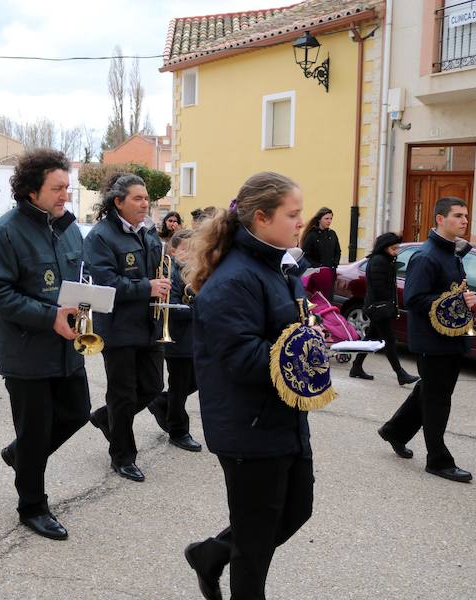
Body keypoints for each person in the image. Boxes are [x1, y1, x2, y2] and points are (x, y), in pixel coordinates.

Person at [182, 172, 314, 600]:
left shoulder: (277, 266)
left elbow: (289, 330)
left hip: (284, 418)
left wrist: (315, 339)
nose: (300, 222)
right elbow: (242, 359)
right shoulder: (234, 279)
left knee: (296, 510)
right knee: (255, 547)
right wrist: (306, 354)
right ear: (260, 217)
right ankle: (220, 560)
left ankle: (212, 554)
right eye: (292, 215)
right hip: (249, 427)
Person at [0, 148, 89, 541]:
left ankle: (19, 454)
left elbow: (79, 277)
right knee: (36, 430)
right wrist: (48, 316)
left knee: (78, 412)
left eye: (67, 187)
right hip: (26, 352)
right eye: (57, 188)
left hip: (68, 347)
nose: (65, 195)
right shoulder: (4, 232)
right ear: (31, 190)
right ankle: (32, 506)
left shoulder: (70, 228)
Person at [378, 197, 476, 484]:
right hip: (433, 343)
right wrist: (457, 299)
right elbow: (414, 299)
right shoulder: (427, 256)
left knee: (429, 391)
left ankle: (394, 431)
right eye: (458, 215)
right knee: (437, 400)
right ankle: (438, 460)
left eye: (466, 216)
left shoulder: (451, 253)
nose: (464, 221)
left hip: (451, 339)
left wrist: (462, 301)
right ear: (439, 219)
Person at [84, 173, 171, 483]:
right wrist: (147, 287)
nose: (145, 203)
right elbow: (107, 283)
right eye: (138, 198)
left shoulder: (148, 233)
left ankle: (106, 419)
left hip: (150, 325)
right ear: (118, 202)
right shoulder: (100, 236)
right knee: (122, 394)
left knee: (152, 386)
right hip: (118, 327)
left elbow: (158, 272)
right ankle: (122, 456)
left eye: (147, 198)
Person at [146, 229, 203, 452]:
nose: (189, 254)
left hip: (194, 339)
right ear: (173, 250)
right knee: (179, 388)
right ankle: (178, 431)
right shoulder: (170, 273)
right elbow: (173, 308)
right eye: (185, 250)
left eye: (193, 250)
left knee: (196, 381)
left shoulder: (195, 272)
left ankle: (161, 402)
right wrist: (199, 308)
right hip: (177, 340)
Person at [348, 232, 420, 385]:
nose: (396, 252)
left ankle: (356, 367)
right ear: (384, 247)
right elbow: (379, 288)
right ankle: (400, 374)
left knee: (370, 338)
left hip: (378, 307)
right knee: (389, 340)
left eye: (397, 248)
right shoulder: (380, 261)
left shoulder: (384, 260)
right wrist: (389, 305)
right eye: (394, 249)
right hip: (379, 308)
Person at [301, 207, 341, 299]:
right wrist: (318, 267)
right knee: (318, 300)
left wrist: (334, 265)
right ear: (319, 219)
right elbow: (305, 255)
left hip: (330, 273)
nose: (329, 221)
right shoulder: (312, 235)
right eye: (326, 218)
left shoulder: (332, 234)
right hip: (316, 274)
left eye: (331, 218)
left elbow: (337, 251)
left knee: (329, 299)